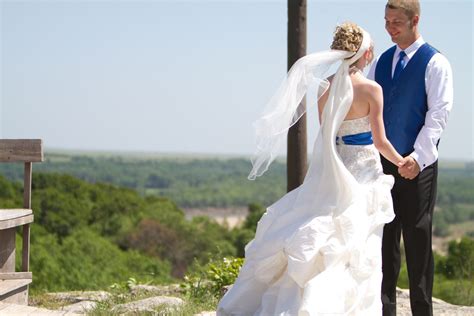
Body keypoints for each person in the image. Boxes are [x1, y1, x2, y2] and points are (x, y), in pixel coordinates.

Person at [217, 22, 407, 315]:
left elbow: (329, 134)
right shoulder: (372, 89)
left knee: (329, 234)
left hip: (335, 166)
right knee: (359, 240)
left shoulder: (325, 89)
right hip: (364, 170)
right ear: (364, 53)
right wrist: (402, 161)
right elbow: (381, 141)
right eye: (371, 50)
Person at [367, 1, 453, 315]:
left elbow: (438, 116)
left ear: (415, 20)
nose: (390, 28)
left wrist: (416, 158)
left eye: (396, 22)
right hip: (381, 165)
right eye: (387, 21)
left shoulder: (436, 63)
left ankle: (422, 311)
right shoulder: (379, 62)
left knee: (417, 241)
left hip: (419, 165)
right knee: (384, 238)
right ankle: (385, 308)